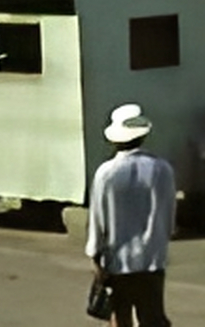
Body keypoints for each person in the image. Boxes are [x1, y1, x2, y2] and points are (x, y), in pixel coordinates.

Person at [85, 102, 174, 327]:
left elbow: (97, 218)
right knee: (152, 316)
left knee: (120, 317)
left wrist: (95, 255)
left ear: (115, 139)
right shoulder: (162, 169)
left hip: (118, 261)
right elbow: (169, 214)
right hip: (152, 259)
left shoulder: (106, 173)